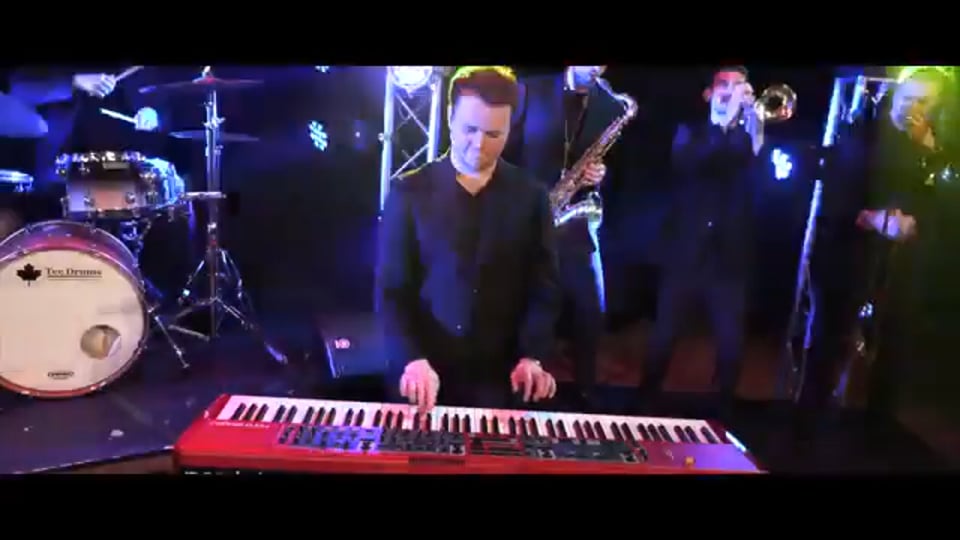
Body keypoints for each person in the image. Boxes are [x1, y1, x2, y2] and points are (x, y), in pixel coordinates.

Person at [376, 66, 561, 412]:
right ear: (450, 117)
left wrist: (532, 355)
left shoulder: (532, 197)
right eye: (470, 129)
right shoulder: (408, 192)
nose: (479, 144)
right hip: (422, 375)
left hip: (501, 377)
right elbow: (391, 289)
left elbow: (544, 288)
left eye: (494, 134)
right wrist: (411, 358)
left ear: (510, 128)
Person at [799, 67, 960, 426]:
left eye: (924, 102)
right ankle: (809, 425)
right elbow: (839, 196)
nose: (913, 108)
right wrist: (876, 218)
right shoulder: (864, 132)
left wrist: (928, 157)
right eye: (908, 98)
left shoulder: (933, 146)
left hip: (898, 270)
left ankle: (876, 429)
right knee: (830, 345)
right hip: (848, 258)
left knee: (892, 356)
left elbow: (941, 203)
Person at [642, 65, 766, 413]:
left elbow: (754, 170)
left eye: (739, 86)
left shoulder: (751, 136)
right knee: (664, 336)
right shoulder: (689, 133)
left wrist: (752, 122)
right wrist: (725, 122)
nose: (730, 91)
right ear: (708, 94)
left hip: (730, 258)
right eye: (723, 85)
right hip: (685, 253)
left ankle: (723, 413)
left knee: (730, 343)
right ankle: (644, 403)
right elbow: (693, 161)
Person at [502, 66, 612, 405]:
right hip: (531, 219)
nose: (595, 67)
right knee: (525, 307)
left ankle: (586, 393)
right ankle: (521, 387)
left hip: (576, 221)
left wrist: (600, 173)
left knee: (591, 312)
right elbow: (505, 154)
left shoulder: (608, 103)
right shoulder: (529, 91)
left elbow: (610, 161)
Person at [0, 67, 162, 238]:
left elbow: (147, 88)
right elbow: (17, 88)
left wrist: (150, 110)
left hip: (115, 162)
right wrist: (74, 81)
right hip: (49, 170)